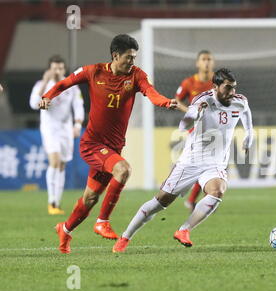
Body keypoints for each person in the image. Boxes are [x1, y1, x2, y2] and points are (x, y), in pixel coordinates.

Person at [39, 34, 178, 254]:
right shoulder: (93, 71)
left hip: (112, 147)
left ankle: (64, 229)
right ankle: (102, 221)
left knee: (90, 197)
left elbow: (152, 93)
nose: (132, 62)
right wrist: (48, 96)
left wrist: (165, 102)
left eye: (134, 57)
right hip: (92, 144)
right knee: (123, 170)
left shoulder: (136, 76)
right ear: (115, 55)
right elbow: (65, 82)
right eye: (128, 57)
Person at [113, 68, 253, 253]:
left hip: (215, 163)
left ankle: (184, 230)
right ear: (215, 87)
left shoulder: (239, 102)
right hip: (191, 161)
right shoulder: (203, 101)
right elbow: (183, 126)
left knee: (217, 191)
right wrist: (195, 116)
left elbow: (246, 114)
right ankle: (125, 236)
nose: (232, 92)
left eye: (234, 88)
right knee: (160, 202)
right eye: (227, 88)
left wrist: (249, 136)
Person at [30, 55, 84, 215]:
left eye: (60, 68)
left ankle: (57, 202)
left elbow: (78, 106)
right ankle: (51, 201)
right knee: (54, 161)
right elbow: (34, 104)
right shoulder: (42, 85)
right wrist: (45, 82)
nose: (57, 71)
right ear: (49, 69)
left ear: (64, 69)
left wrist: (77, 125)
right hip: (49, 128)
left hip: (65, 129)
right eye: (54, 68)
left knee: (62, 164)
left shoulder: (72, 86)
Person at [175, 50, 215, 212]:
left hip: (215, 129)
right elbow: (177, 100)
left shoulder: (218, 81)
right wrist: (192, 112)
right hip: (195, 130)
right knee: (205, 165)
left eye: (209, 59)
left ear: (213, 63)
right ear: (197, 63)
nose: (206, 62)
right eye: (203, 59)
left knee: (212, 165)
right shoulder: (189, 82)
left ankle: (194, 200)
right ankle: (193, 199)